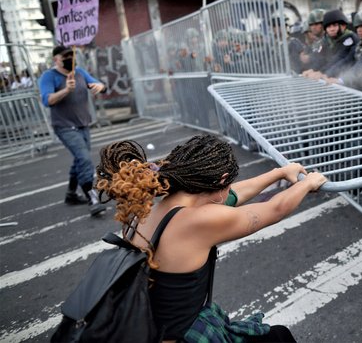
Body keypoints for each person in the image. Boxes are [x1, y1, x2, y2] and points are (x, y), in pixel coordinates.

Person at [95, 135, 327, 341]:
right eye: (228, 183)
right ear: (221, 180)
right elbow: (275, 209)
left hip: (149, 327)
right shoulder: (200, 221)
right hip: (180, 335)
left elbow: (231, 195)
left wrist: (278, 174)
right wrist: (308, 183)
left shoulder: (155, 209)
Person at [39, 45, 106, 216]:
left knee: (79, 159)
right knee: (84, 158)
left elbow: (97, 83)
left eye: (71, 54)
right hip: (64, 126)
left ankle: (71, 194)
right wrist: (66, 90)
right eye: (65, 55)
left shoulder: (80, 72)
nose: (70, 57)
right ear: (56, 59)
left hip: (83, 123)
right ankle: (92, 197)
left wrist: (100, 86)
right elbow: (48, 100)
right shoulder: (48, 76)